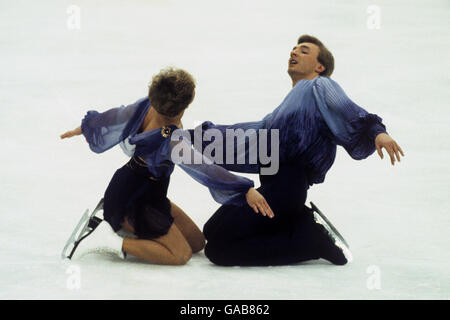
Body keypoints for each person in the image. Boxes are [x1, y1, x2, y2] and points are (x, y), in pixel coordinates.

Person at [194, 35, 404, 266]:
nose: (294, 53)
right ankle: (300, 221)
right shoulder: (284, 110)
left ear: (319, 66)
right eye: (293, 50)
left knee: (219, 250)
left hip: (287, 188)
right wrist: (197, 138)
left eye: (303, 51)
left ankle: (311, 241)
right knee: (211, 230)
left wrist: (377, 131)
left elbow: (349, 110)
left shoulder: (320, 85)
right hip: (273, 188)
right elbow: (250, 134)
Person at [60, 67, 273, 265]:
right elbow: (204, 168)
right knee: (180, 255)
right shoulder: (172, 140)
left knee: (197, 243)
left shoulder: (147, 106)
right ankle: (108, 239)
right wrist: (244, 188)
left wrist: (87, 128)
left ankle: (124, 231)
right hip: (132, 201)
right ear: (188, 102)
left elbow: (117, 115)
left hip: (149, 193)